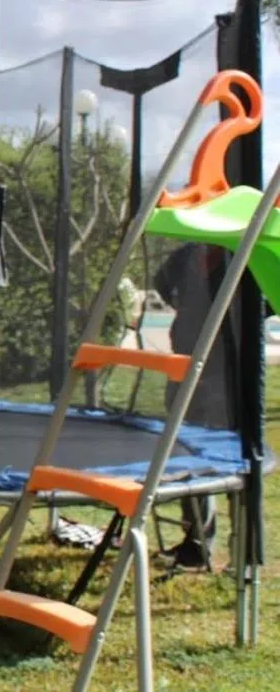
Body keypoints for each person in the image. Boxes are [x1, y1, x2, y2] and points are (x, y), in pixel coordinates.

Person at [152, 242, 237, 568]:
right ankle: (197, 546)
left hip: (227, 377)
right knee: (187, 457)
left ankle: (245, 553)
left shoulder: (242, 256)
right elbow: (162, 283)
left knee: (234, 463)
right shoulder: (186, 256)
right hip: (184, 370)